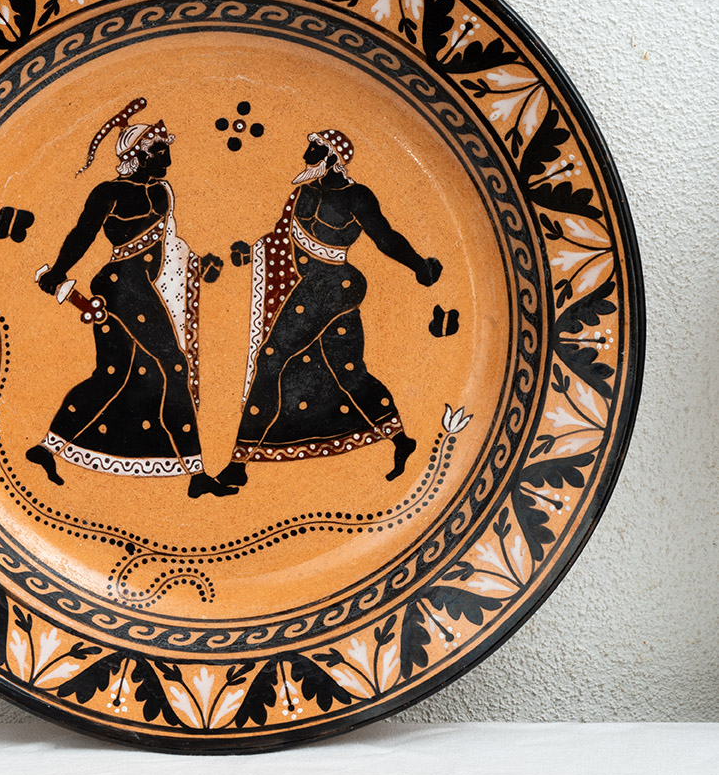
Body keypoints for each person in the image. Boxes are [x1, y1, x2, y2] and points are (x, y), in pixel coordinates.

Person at [27, 98, 235, 498]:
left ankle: (46, 448)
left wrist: (195, 265)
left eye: (166, 149)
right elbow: (82, 234)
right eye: (159, 150)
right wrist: (57, 272)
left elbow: (168, 246)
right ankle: (196, 476)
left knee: (113, 375)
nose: (167, 157)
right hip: (122, 288)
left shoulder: (162, 191)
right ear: (136, 155)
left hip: (141, 286)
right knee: (174, 364)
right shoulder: (110, 192)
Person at [218, 129, 441, 489]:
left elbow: (385, 238)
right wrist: (252, 250)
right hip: (316, 286)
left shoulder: (356, 196)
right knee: (348, 371)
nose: (306, 153)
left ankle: (238, 464)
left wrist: (419, 266)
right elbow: (281, 237)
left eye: (314, 148)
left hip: (334, 287)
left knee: (271, 357)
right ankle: (401, 439)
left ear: (332, 157)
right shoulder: (304, 191)